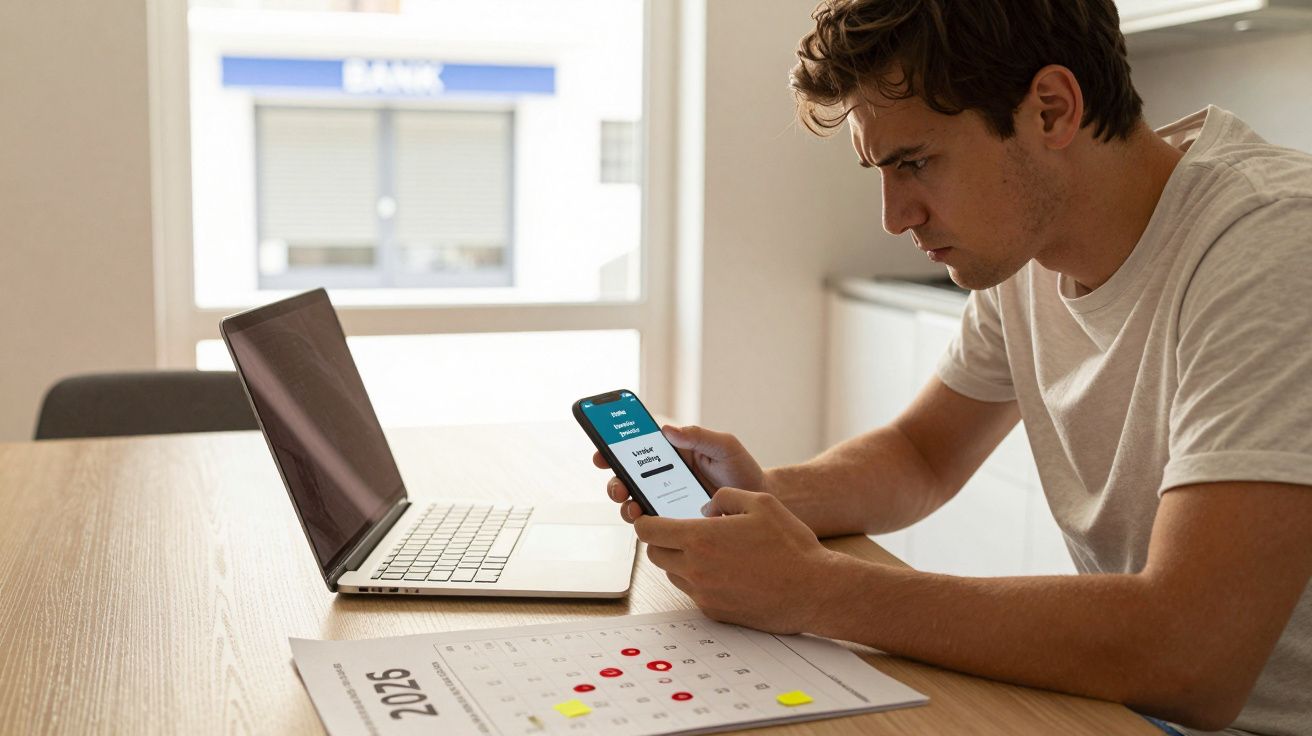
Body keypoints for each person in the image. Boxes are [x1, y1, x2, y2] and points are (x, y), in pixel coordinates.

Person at [590, 1, 1312, 734]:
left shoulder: (1275, 245)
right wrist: (770, 496)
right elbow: (923, 455)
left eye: (916, 163)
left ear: (1051, 111)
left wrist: (816, 590)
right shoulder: (1029, 246)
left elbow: (1192, 655)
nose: (895, 216)